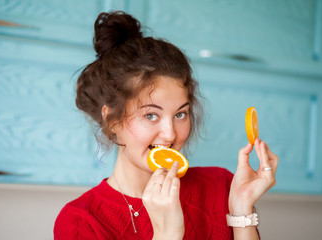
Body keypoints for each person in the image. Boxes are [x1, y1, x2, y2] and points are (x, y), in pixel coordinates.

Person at [54, 11, 278, 240]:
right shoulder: (80, 222)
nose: (170, 134)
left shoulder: (221, 188)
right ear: (112, 121)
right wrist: (167, 233)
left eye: (180, 114)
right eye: (151, 115)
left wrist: (241, 211)